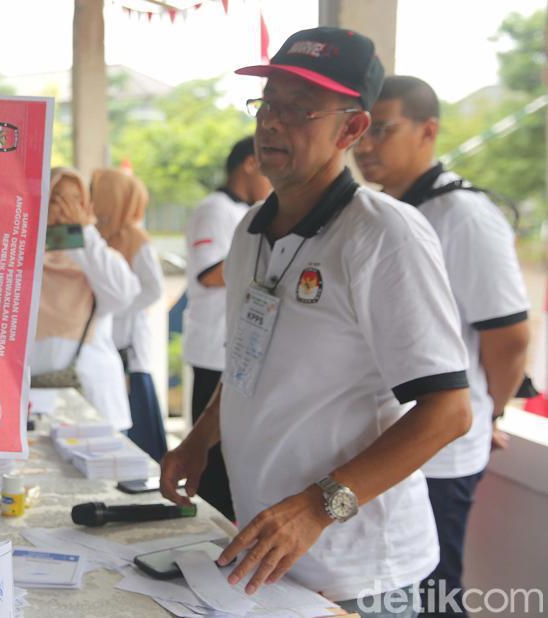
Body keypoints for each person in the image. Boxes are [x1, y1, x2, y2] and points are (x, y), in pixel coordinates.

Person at [159, 28, 474, 616]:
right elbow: (249, 357)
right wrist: (200, 439)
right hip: (270, 555)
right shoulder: (250, 227)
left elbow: (448, 412)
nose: (272, 123)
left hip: (366, 572)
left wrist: (315, 507)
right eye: (268, 104)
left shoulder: (385, 235)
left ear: (351, 129)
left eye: (299, 110)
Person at [354, 75, 531, 617]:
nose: (365, 144)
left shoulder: (464, 216)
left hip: (439, 451)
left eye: (381, 128)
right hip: (389, 445)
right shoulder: (383, 213)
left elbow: (510, 337)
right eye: (360, 128)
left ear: (428, 130)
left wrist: (492, 412)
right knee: (390, 594)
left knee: (431, 594)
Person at [182, 135, 272, 521]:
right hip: (213, 350)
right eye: (268, 167)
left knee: (237, 451)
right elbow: (210, 274)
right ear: (249, 164)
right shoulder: (215, 210)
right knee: (214, 459)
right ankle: (213, 536)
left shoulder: (247, 211)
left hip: (239, 350)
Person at [29, 167, 139, 431]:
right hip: (33, 406)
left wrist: (79, 234)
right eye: (56, 199)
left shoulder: (99, 258)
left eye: (74, 201)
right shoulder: (19, 257)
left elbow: (123, 295)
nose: (65, 208)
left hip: (95, 405)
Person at [92, 168, 168, 462]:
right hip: (105, 343)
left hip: (128, 350)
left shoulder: (136, 238)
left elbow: (153, 289)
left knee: (137, 441)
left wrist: (113, 307)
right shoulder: (96, 235)